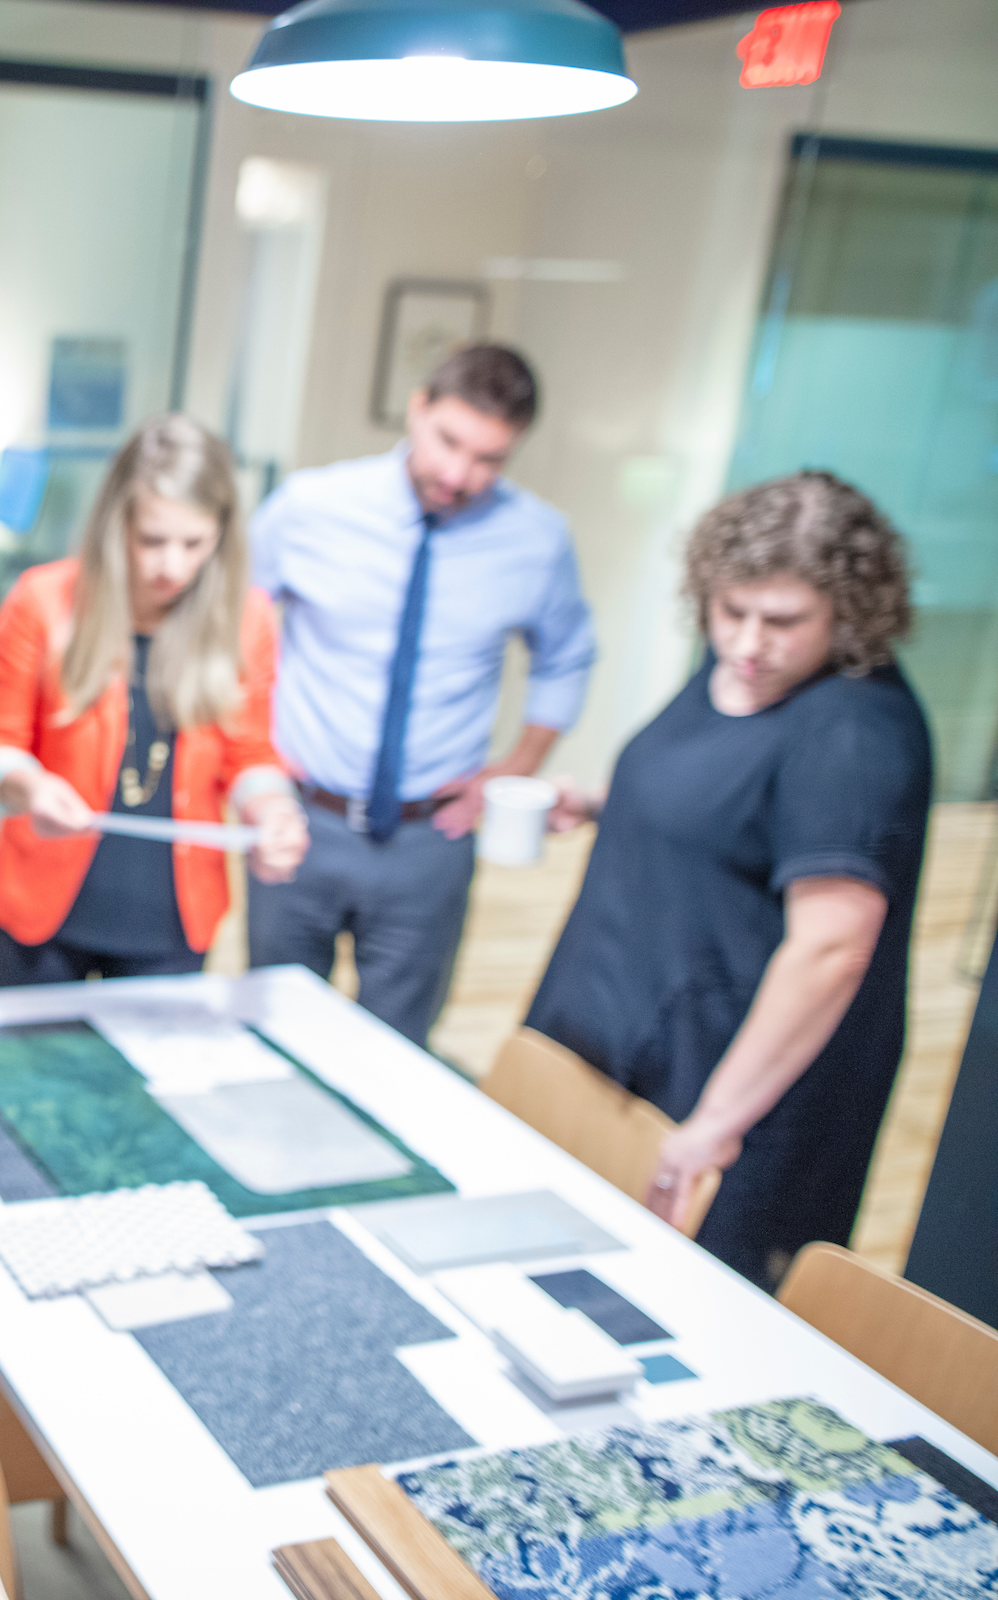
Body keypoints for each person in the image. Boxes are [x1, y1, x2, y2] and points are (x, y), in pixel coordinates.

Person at [524, 472, 929, 1289]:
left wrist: (714, 1123)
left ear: (849, 612)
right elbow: (733, 806)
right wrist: (605, 802)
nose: (746, 643)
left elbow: (832, 949)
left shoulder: (852, 732)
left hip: (722, 1086)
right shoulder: (746, 668)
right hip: (622, 1027)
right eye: (730, 610)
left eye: (782, 622)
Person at [246, 344, 595, 1046]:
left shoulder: (538, 540)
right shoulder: (310, 507)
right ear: (417, 409)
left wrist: (515, 766)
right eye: (448, 442)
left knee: (399, 1055)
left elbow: (567, 659)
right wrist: (252, 773)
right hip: (301, 822)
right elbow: (232, 638)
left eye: (490, 459)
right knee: (273, 1035)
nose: (458, 474)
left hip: (430, 840)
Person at [0, 415, 309, 987]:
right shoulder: (42, 601)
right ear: (115, 524)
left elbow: (250, 755)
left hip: (172, 921)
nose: (172, 567)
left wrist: (273, 809)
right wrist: (32, 786)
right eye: (152, 540)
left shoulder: (247, 621)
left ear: (222, 533)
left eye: (193, 543)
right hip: (43, 914)